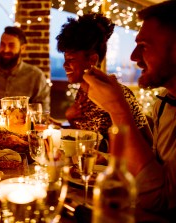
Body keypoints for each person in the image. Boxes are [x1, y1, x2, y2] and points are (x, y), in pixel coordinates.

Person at [82, 1, 176, 218]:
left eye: (143, 45)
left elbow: (160, 202)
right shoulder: (162, 100)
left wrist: (117, 108)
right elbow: (154, 167)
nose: (133, 57)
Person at [56, 13, 152, 149]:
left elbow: (147, 145)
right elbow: (82, 136)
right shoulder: (82, 92)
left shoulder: (119, 94)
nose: (65, 65)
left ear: (92, 60)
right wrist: (70, 118)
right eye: (65, 59)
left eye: (71, 60)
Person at [0, 26, 51, 112]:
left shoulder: (36, 76)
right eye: (2, 44)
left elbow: (43, 111)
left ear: (22, 48)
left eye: (11, 45)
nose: (5, 50)